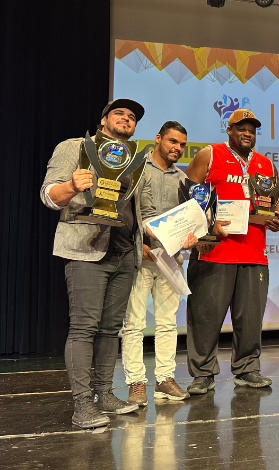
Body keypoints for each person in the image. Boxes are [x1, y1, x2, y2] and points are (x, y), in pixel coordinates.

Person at [40, 99, 155, 428]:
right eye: (120, 113)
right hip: (85, 248)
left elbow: (140, 211)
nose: (127, 119)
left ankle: (104, 394)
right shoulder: (74, 148)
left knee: (109, 330)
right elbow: (48, 195)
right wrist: (72, 185)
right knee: (84, 328)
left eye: (132, 117)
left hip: (125, 252)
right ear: (104, 120)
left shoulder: (134, 160)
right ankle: (82, 406)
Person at [184, 109, 279, 394]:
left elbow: (278, 202)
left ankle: (247, 369)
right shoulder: (210, 154)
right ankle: (203, 373)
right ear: (228, 130)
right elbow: (188, 196)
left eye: (252, 130)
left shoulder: (266, 164)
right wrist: (205, 226)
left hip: (254, 253)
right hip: (214, 250)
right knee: (206, 317)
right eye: (241, 128)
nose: (247, 133)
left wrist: (278, 217)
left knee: (250, 318)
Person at [122, 121, 196, 405]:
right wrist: (137, 241)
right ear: (158, 139)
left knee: (167, 324)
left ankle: (164, 379)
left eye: (181, 145)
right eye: (173, 142)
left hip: (171, 259)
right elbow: (128, 212)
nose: (177, 148)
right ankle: (136, 383)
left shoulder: (182, 179)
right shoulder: (137, 170)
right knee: (134, 324)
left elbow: (186, 218)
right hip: (141, 256)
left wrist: (190, 238)